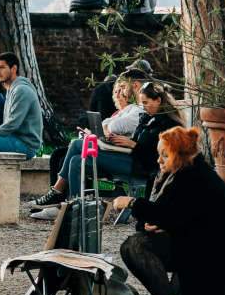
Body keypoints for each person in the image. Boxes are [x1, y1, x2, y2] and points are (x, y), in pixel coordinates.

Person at [109, 126, 225, 295]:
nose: (159, 160)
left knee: (134, 246)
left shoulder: (196, 177)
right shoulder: (181, 173)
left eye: (165, 155)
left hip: (209, 256)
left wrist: (132, 203)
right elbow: (167, 215)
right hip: (193, 245)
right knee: (138, 241)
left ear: (179, 155)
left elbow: (167, 214)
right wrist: (153, 222)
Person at [33, 80, 184, 212]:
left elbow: (157, 154)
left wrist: (134, 145)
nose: (143, 107)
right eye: (141, 103)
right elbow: (138, 140)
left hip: (142, 165)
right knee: (77, 161)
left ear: (158, 100)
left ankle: (58, 191)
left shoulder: (168, 124)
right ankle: (75, 207)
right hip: (130, 156)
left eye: (146, 103)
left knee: (78, 144)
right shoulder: (147, 117)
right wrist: (120, 141)